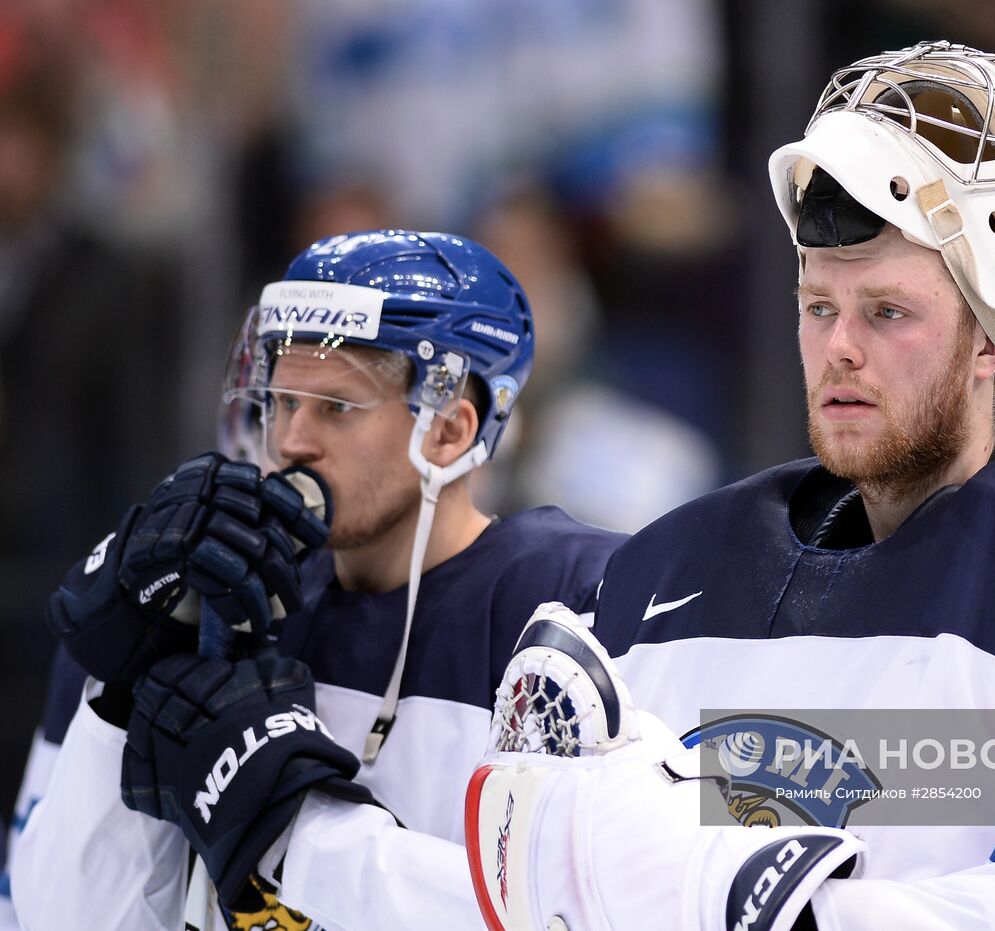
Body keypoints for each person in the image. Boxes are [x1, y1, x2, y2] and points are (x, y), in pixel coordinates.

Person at [466, 40, 995, 930]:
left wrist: (798, 911)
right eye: (818, 306)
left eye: (888, 312)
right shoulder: (665, 574)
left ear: (990, 336)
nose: (840, 349)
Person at [9, 230, 625, 931]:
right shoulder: (228, 605)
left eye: (336, 407)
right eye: (282, 403)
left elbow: (591, 911)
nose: (293, 439)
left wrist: (297, 827)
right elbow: (58, 919)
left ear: (450, 431)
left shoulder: (574, 610)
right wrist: (122, 693)